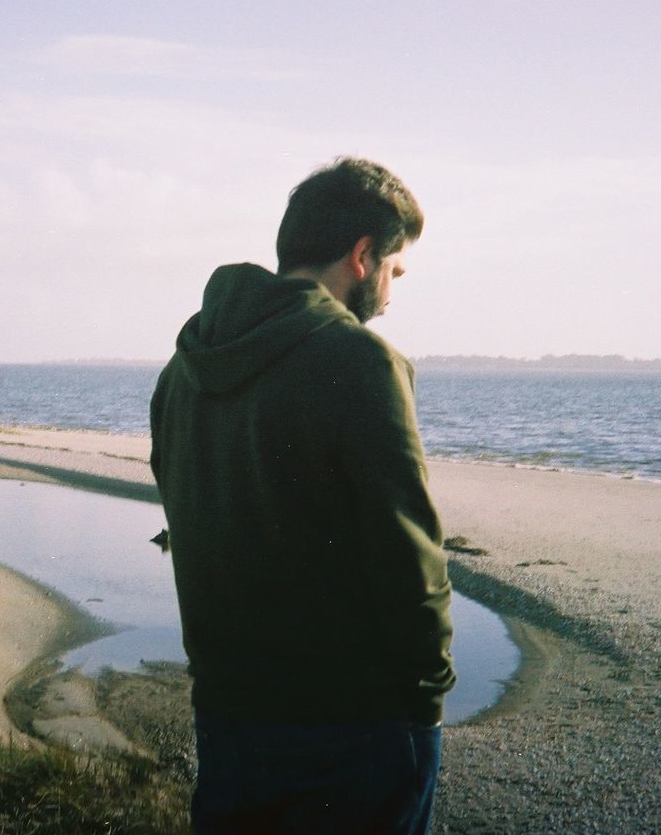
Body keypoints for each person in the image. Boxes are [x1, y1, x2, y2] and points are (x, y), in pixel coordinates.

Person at [149, 156, 455, 835]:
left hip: (228, 716)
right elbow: (412, 557)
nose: (392, 290)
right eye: (395, 270)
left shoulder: (182, 373)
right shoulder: (362, 363)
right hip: (355, 728)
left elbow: (190, 526)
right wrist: (427, 696)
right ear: (363, 254)